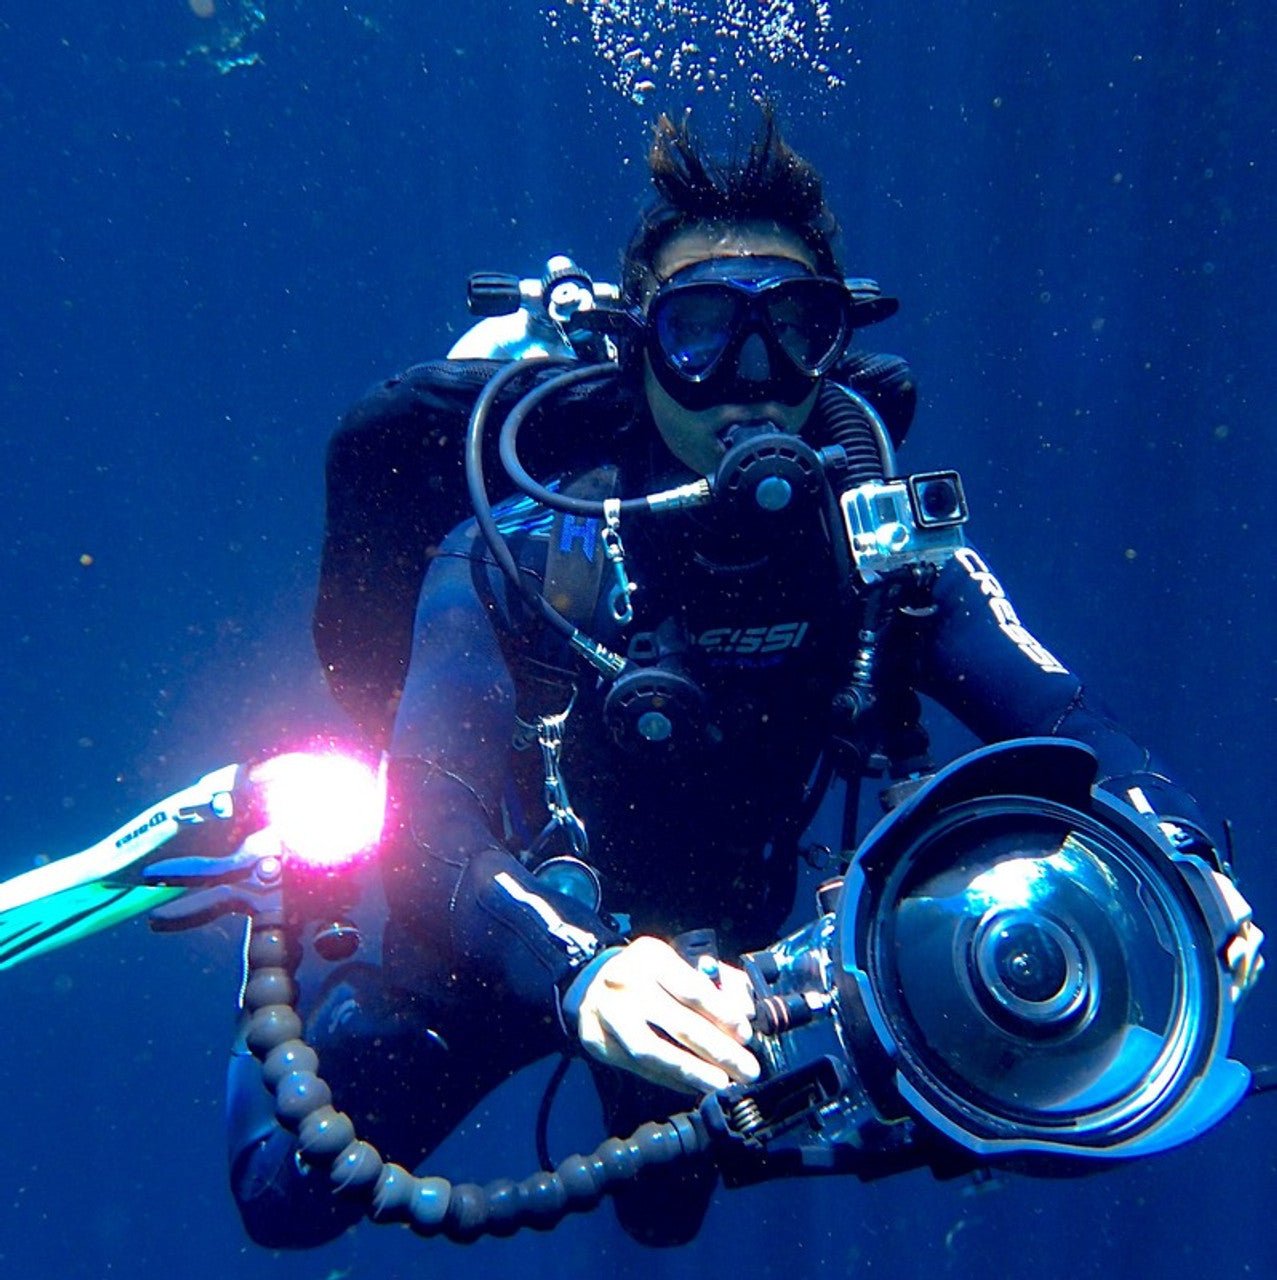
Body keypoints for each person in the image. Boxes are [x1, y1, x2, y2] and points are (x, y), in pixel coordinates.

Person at [227, 109, 1263, 1248]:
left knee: (662, 1214)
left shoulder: (882, 554)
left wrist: (1185, 851)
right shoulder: (517, 551)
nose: (749, 380)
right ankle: (282, 927)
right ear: (638, 344)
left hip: (728, 961)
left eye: (792, 329)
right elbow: (424, 816)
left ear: (832, 341)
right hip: (512, 925)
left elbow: (1069, 720)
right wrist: (579, 971)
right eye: (702, 330)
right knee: (288, 1194)